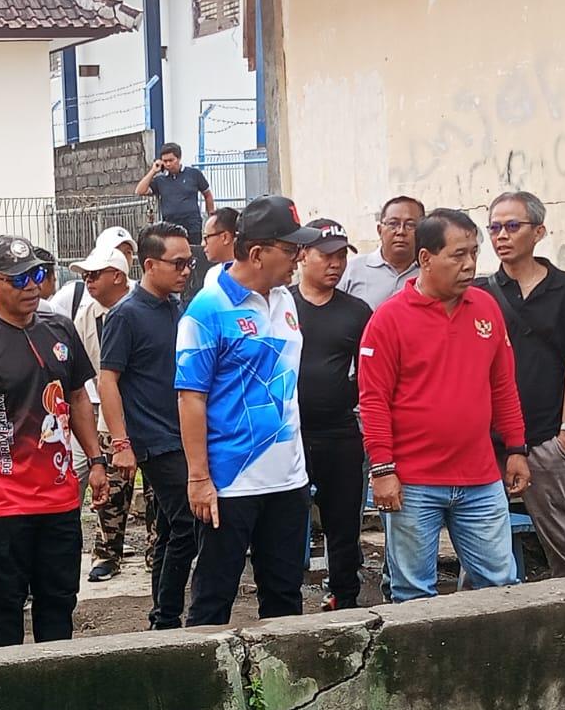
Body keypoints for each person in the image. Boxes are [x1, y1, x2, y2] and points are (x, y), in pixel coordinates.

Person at [0, 234, 107, 648]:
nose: (31, 286)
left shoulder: (60, 329)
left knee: (59, 600)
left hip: (59, 497)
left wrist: (96, 459)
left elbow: (78, 396)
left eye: (37, 274)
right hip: (1, 502)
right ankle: (8, 701)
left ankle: (59, 692)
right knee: (5, 606)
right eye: (18, 279)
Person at [358, 209, 531, 603]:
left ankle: (492, 665)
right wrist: (382, 469)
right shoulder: (389, 320)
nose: (469, 264)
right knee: (414, 593)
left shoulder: (487, 310)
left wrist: (517, 448)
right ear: (425, 259)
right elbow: (373, 401)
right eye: (458, 255)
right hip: (413, 481)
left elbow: (503, 386)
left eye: (473, 252)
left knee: (501, 585)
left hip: (480, 476)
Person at [177, 195, 319, 627]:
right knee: (213, 598)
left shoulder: (285, 301)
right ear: (257, 253)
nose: (300, 258)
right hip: (231, 483)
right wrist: (199, 478)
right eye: (291, 250)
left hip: (287, 480)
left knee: (284, 594)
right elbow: (190, 397)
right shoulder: (207, 309)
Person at [475, 190, 565, 577]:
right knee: (480, 548)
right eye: (494, 227)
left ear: (539, 231)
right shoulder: (479, 293)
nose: (502, 236)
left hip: (546, 438)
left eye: (513, 226)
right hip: (488, 442)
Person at [100, 221, 196, 629]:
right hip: (156, 441)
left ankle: (164, 613)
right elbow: (108, 380)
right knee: (189, 524)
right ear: (150, 264)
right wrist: (121, 443)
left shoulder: (177, 307)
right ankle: (167, 616)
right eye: (178, 263)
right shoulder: (126, 315)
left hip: (187, 434)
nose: (186, 270)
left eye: (190, 262)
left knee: (175, 528)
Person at [293, 218, 372, 610]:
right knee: (287, 523)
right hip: (288, 433)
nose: (335, 264)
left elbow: (372, 372)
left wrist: (344, 393)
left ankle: (344, 596)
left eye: (342, 256)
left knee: (343, 523)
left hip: (340, 432)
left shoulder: (357, 312)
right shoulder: (280, 305)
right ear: (303, 255)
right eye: (327, 255)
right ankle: (284, 601)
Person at [62, 241, 138, 582]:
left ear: (118, 277)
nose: (89, 282)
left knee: (156, 492)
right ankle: (107, 553)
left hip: (151, 412)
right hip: (110, 409)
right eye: (86, 276)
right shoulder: (87, 312)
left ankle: (157, 551)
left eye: (96, 275)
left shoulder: (144, 305)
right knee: (111, 484)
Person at [341, 195, 426, 312]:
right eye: (393, 224)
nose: (401, 231)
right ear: (379, 230)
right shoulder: (351, 270)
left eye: (410, 225)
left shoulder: (429, 272)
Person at [44, 227, 136, 319]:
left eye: (128, 252)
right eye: (116, 251)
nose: (123, 257)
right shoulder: (73, 294)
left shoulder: (140, 293)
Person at [135, 142, 215, 245]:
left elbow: (207, 194)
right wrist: (153, 171)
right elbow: (140, 191)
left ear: (179, 158)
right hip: (170, 227)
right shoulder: (160, 180)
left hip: (192, 226)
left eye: (171, 160)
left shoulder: (194, 174)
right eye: (165, 161)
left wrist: (211, 216)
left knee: (194, 253)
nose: (168, 164)